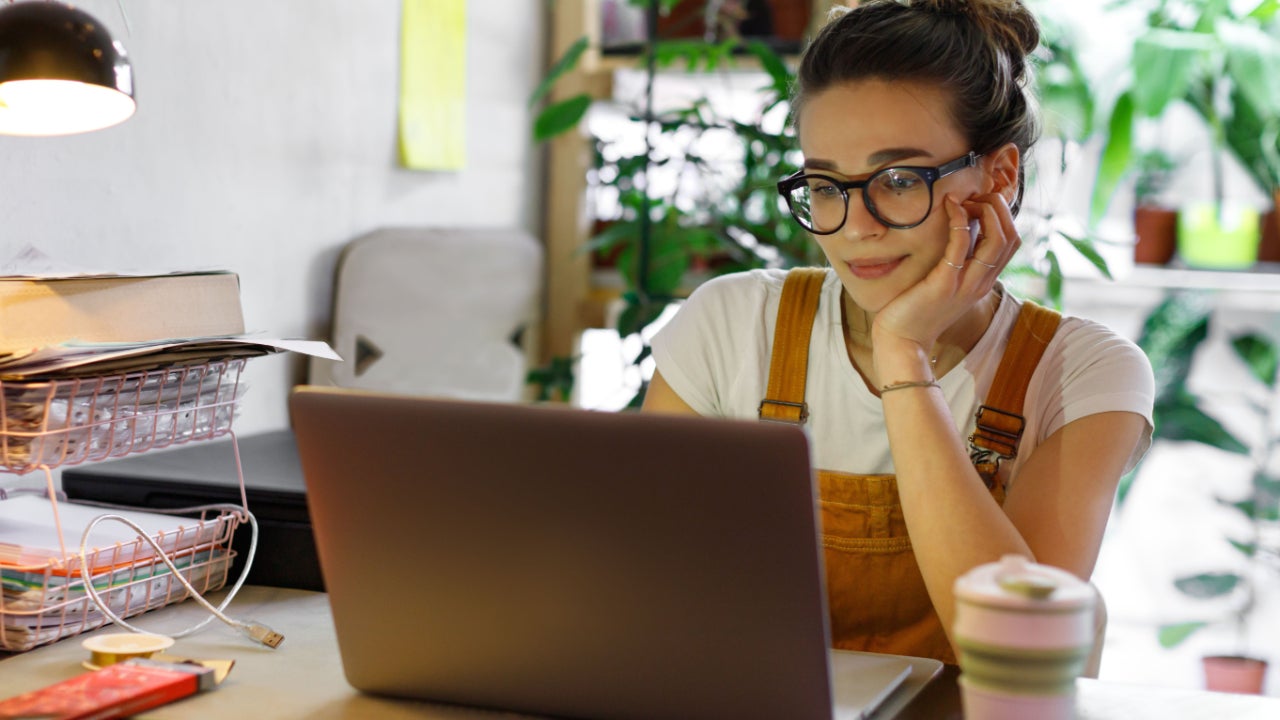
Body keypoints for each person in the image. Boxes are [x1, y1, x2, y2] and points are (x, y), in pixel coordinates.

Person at [642, 0, 1155, 665]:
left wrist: (903, 353)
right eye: (826, 184)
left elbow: (1022, 651)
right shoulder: (731, 324)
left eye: (898, 179)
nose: (856, 226)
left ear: (998, 175)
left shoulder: (1084, 373)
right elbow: (647, 590)